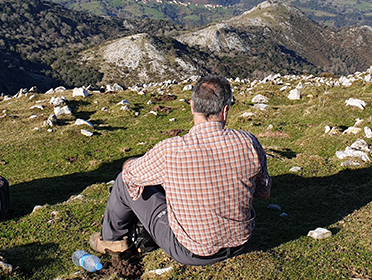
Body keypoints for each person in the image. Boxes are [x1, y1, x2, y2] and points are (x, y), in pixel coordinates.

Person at [90, 75, 271, 266]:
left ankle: (112, 242)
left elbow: (130, 176)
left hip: (191, 252)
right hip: (242, 242)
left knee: (122, 181)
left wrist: (130, 162)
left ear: (192, 106)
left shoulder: (172, 150)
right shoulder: (249, 142)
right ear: (225, 111)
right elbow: (264, 193)